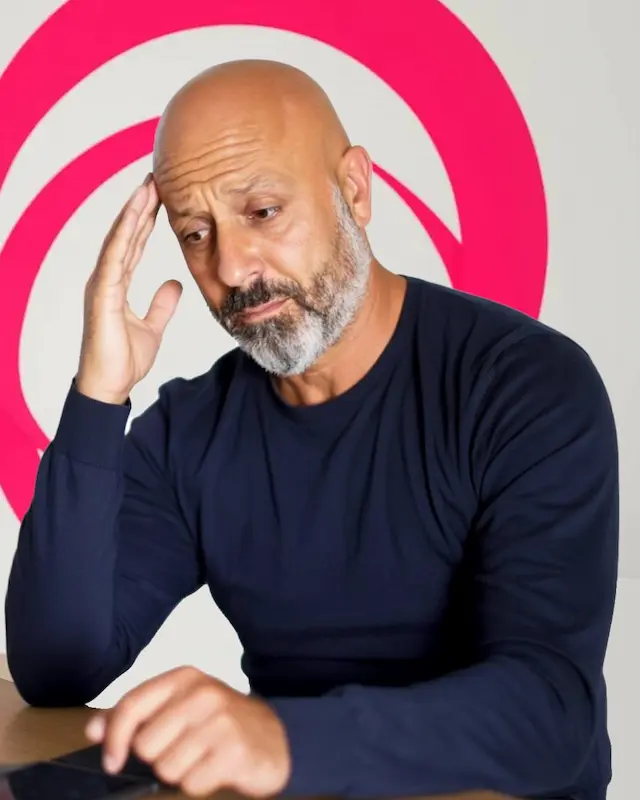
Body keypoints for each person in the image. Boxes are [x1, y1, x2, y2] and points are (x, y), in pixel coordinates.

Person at [5, 59, 618, 800]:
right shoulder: (191, 432)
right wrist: (99, 396)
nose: (231, 266)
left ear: (354, 190)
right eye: (196, 233)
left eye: (262, 212)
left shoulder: (523, 386)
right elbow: (55, 668)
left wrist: (286, 741)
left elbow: (550, 714)